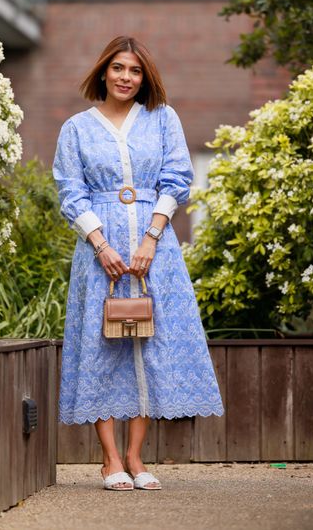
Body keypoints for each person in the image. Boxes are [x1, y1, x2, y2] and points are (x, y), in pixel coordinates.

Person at [53, 36, 224, 491]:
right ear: (103, 72)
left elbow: (178, 178)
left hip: (156, 249)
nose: (126, 78)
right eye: (118, 69)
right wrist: (100, 244)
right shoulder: (76, 128)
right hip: (99, 252)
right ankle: (109, 460)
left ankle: (136, 456)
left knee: (149, 341)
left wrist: (151, 237)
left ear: (144, 77)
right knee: (102, 343)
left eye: (135, 71)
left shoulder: (163, 119)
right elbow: (71, 191)